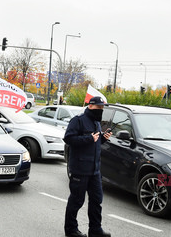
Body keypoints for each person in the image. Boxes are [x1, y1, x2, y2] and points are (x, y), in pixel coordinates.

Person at [63, 96, 112, 237]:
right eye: (98, 107)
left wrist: (103, 137)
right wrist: (88, 138)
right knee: (77, 200)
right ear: (90, 106)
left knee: (97, 201)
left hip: (94, 170)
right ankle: (71, 230)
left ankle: (95, 230)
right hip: (80, 169)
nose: (101, 110)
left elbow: (95, 141)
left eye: (102, 108)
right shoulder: (78, 120)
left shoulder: (96, 122)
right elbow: (69, 138)